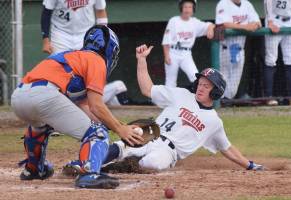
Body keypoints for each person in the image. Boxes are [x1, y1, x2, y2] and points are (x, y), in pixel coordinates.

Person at [64, 44, 264, 172]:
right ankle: (86, 164)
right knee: (123, 143)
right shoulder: (181, 94)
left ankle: (117, 167)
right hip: (151, 132)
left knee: (150, 164)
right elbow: (147, 89)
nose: (201, 87)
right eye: (201, 83)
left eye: (207, 85)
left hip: (170, 152)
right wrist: (141, 61)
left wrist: (249, 164)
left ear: (216, 92)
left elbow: (226, 148)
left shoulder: (214, 122)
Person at [10, 25, 143, 189]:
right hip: (44, 96)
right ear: (109, 50)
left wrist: (121, 126)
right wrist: (119, 129)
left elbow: (87, 110)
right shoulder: (96, 60)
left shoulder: (73, 56)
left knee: (41, 125)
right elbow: (96, 106)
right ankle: (89, 174)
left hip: (19, 97)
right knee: (97, 132)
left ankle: (34, 168)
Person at [162, 0, 215, 87]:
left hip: (186, 54)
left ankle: (198, 99)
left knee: (195, 77)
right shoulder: (174, 21)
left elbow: (210, 25)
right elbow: (166, 40)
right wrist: (166, 55)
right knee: (170, 81)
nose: (187, 9)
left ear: (193, 9)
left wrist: (210, 29)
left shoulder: (194, 22)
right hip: (173, 52)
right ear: (181, 8)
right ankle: (169, 100)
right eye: (185, 7)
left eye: (190, 7)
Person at [215, 0, 261, 99]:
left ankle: (227, 100)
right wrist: (245, 27)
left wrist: (254, 25)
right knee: (223, 77)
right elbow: (224, 23)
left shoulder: (247, 4)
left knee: (235, 82)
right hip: (225, 48)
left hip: (239, 49)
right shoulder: (223, 3)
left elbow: (258, 22)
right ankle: (220, 100)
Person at [264, 0, 291, 106]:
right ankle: (268, 97)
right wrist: (270, 20)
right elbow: (267, 1)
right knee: (271, 59)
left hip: (290, 21)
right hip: (275, 20)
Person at [41, 0, 108, 54]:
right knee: (59, 67)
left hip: (87, 34)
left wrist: (102, 35)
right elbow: (46, 13)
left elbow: (101, 11)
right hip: (61, 35)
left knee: (86, 67)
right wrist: (46, 41)